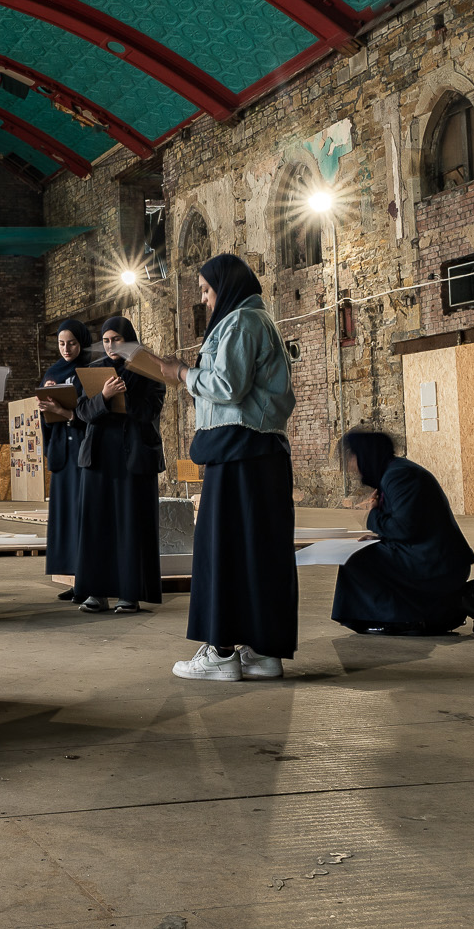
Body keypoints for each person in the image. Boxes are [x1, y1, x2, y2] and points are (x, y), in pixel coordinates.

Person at [146, 254, 297, 683]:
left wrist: (181, 373)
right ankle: (263, 651)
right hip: (258, 454)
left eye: (207, 291)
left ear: (226, 287)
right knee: (258, 554)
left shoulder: (242, 322)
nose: (205, 300)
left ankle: (221, 650)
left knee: (221, 550)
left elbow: (227, 386)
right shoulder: (255, 321)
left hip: (239, 453)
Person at [333, 430, 474, 636]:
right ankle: (437, 609)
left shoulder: (399, 476)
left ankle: (401, 619)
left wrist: (372, 515)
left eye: (352, 458)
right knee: (363, 551)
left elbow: (405, 529)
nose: (351, 467)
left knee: (356, 558)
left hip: (438, 564)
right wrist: (380, 538)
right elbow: (413, 524)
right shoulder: (394, 472)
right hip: (428, 555)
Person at [71, 315, 166, 614]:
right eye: (107, 340)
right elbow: (83, 412)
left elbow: (153, 409)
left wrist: (126, 396)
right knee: (96, 525)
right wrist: (104, 396)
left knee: (130, 525)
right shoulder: (92, 371)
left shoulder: (150, 370)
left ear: (130, 340)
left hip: (134, 456)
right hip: (99, 456)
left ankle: (130, 593)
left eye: (118, 340)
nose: (111, 345)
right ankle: (96, 592)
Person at [41, 318, 99, 601]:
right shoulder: (52, 371)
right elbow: (45, 417)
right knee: (66, 519)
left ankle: (89, 582)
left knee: (84, 516)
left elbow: (95, 410)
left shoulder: (93, 369)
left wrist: (65, 408)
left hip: (84, 450)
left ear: (82, 341)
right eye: (61, 343)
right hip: (62, 451)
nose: (66, 348)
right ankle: (76, 580)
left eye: (72, 343)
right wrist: (47, 403)